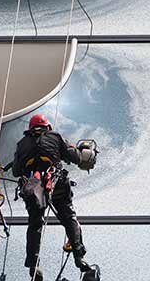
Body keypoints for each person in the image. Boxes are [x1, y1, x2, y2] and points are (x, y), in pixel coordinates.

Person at [12, 113, 93, 272]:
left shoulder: (21, 144)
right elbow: (75, 157)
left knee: (35, 223)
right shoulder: (55, 137)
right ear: (47, 126)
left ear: (30, 128)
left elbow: (15, 171)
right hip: (57, 185)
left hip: (34, 189)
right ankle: (79, 256)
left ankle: (33, 264)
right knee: (69, 217)